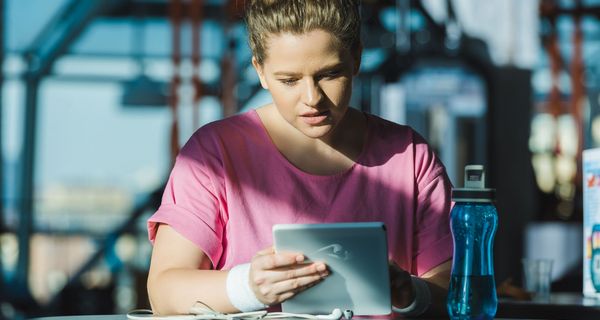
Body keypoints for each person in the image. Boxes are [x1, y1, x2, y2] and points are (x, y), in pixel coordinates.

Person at [146, 0, 453, 317]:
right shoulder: (214, 153)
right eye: (289, 80)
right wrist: (248, 288)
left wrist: (410, 292)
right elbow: (163, 294)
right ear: (260, 72)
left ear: (356, 58)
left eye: (329, 74)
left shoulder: (410, 156)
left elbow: (459, 292)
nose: (312, 99)